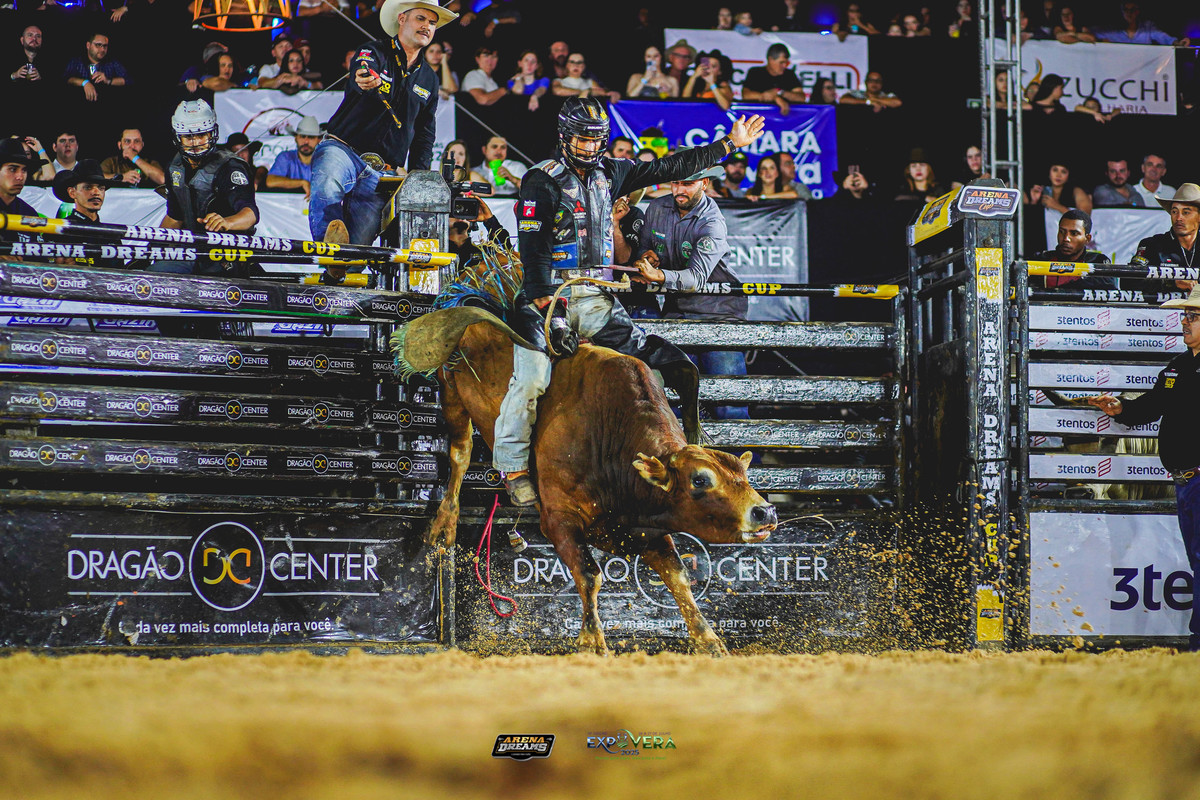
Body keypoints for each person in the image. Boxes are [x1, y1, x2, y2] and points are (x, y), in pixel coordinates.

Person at [493, 97, 765, 505]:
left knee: (660, 367)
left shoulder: (611, 172)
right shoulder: (541, 179)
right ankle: (512, 466)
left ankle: (668, 458)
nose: (589, 147)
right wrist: (547, 304)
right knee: (531, 379)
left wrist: (728, 144)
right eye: (582, 139)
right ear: (565, 137)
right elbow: (533, 247)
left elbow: (668, 166)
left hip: (597, 296)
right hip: (548, 294)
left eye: (595, 140)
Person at [1085, 284, 1200, 651]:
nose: (1185, 321)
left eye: (1194, 316)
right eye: (1185, 315)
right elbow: (1152, 405)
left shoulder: (1183, 365)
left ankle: (1199, 641)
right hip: (1186, 480)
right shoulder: (1179, 365)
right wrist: (1121, 408)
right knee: (1197, 558)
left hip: (1195, 477)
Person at [309, 0, 452, 247]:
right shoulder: (373, 51)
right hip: (343, 150)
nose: (427, 26)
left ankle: (338, 264)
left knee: (360, 245)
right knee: (327, 183)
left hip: (384, 171)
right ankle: (329, 246)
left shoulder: (430, 78)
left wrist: (418, 178)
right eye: (420, 18)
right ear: (402, 19)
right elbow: (363, 66)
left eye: (432, 23)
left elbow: (424, 134)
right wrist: (364, 76)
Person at [630, 157, 750, 419]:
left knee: (729, 406)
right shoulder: (657, 208)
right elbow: (644, 248)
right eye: (675, 183)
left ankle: (739, 448)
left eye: (687, 184)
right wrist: (646, 258)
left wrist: (658, 275)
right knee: (676, 402)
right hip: (678, 313)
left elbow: (696, 278)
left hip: (719, 316)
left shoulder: (712, 222)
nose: (679, 190)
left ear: (704, 184)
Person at [157, 100, 259, 274]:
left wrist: (227, 222)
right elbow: (174, 217)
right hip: (191, 252)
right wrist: (150, 248)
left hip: (226, 255)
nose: (195, 143)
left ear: (212, 133)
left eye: (201, 135)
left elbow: (250, 213)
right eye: (188, 137)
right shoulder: (175, 168)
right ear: (178, 137)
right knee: (153, 273)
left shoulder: (230, 167)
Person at [1131, 183, 1200, 292]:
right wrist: (1172, 282)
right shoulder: (1152, 245)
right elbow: (1129, 281)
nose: (1179, 218)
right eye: (1174, 211)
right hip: (1165, 303)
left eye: (1186, 212)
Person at [1031, 209, 1116, 291]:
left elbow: (1109, 286)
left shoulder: (1097, 261)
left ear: (1087, 238)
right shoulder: (1041, 260)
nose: (1066, 238)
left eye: (1074, 233)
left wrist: (1060, 292)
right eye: (1062, 232)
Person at [741, 43, 806, 114]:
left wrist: (780, 92)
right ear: (770, 60)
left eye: (786, 63)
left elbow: (801, 98)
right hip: (758, 116)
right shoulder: (755, 73)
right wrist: (774, 98)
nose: (784, 66)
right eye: (781, 62)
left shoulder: (789, 75)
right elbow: (746, 95)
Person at [64, 32, 129, 103]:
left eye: (105, 46)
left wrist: (108, 81)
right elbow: (66, 78)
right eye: (98, 45)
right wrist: (84, 82)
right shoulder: (76, 61)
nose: (102, 49)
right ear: (88, 45)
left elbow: (128, 80)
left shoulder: (113, 62)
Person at [0, 139, 42, 244]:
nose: (20, 177)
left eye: (24, 170)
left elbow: (37, 252)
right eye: (13, 169)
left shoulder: (29, 213)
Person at [266, 115, 320, 196]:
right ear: (296, 138)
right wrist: (302, 183)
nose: (306, 141)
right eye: (302, 136)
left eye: (311, 137)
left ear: (318, 140)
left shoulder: (324, 160)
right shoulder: (286, 157)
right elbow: (270, 181)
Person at [1096, 1, 1190, 46]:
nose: (1129, 13)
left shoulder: (1148, 27)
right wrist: (1087, 35)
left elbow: (1163, 37)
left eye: (1132, 10)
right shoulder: (1112, 30)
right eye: (1126, 10)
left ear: (1137, 11)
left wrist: (1178, 43)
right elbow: (1093, 33)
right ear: (1122, 12)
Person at [100, 128, 165, 188]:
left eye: (136, 141)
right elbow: (98, 178)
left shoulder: (151, 163)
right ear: (120, 145)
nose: (132, 146)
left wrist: (135, 158)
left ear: (142, 144)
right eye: (127, 141)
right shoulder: (111, 162)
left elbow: (162, 179)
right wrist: (121, 177)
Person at [1027, 162, 1092, 214]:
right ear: (1049, 173)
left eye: (1063, 172)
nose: (1058, 175)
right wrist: (1034, 201)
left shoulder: (1076, 191)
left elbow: (1084, 218)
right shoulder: (1041, 190)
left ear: (1068, 175)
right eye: (1055, 170)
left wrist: (1057, 207)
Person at [552, 52, 619, 101]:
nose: (576, 65)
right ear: (567, 65)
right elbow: (558, 91)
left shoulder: (590, 82)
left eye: (579, 62)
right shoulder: (558, 81)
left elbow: (602, 92)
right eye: (572, 62)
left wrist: (613, 93)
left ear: (584, 66)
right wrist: (585, 92)